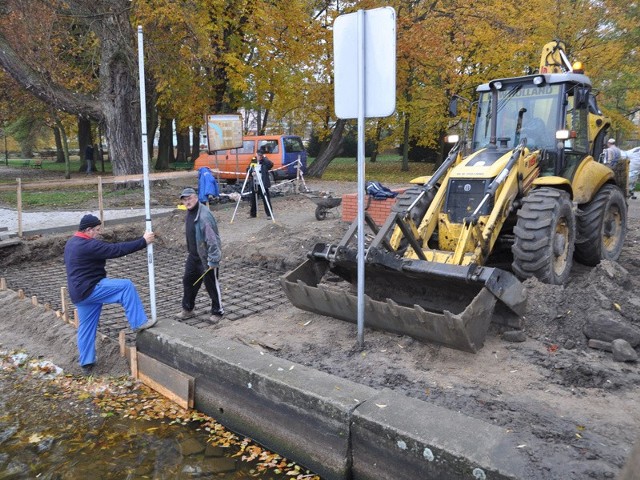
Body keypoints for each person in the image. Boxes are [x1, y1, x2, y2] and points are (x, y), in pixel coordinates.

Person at [64, 214, 156, 375]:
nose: (99, 233)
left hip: (78, 293)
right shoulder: (88, 245)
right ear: (88, 230)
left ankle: (86, 363)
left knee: (86, 328)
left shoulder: (72, 242)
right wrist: (143, 241)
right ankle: (139, 322)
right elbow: (115, 250)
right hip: (90, 288)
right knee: (125, 286)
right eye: (97, 230)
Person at [176, 187, 224, 323]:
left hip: (205, 257)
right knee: (188, 281)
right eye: (184, 200)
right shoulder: (190, 212)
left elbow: (213, 240)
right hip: (193, 256)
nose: (187, 202)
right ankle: (188, 309)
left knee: (211, 285)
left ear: (196, 197)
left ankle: (218, 311)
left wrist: (213, 260)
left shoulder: (204, 216)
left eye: (189, 198)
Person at [249, 149, 274, 218]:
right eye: (258, 155)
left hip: (263, 183)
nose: (259, 157)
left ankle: (269, 214)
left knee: (266, 199)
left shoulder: (265, 162)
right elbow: (248, 169)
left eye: (260, 155)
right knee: (253, 199)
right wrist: (251, 173)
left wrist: (265, 158)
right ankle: (253, 214)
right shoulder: (253, 161)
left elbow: (271, 164)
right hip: (255, 183)